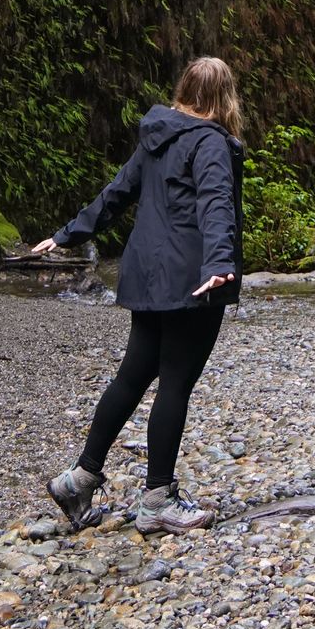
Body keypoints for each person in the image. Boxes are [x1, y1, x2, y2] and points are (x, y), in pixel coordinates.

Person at [32, 56, 244, 535]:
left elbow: (116, 193)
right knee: (174, 384)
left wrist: (67, 234)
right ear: (225, 98)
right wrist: (219, 266)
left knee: (133, 377)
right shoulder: (209, 141)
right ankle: (157, 500)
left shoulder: (157, 135)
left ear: (184, 91)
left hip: (148, 276)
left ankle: (79, 479)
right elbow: (215, 203)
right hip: (191, 281)